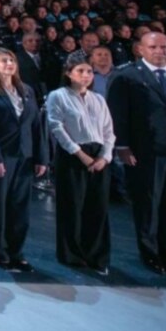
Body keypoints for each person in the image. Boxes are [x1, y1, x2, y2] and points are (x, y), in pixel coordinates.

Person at [106, 32, 166, 275]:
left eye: (165, 47)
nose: (160, 51)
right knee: (148, 204)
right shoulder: (126, 75)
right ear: (140, 49)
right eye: (154, 47)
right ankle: (150, 253)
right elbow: (118, 114)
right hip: (145, 152)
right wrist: (123, 146)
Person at [0, 48, 47, 272]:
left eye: (11, 60)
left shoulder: (27, 90)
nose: (9, 64)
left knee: (20, 207)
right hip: (1, 156)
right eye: (3, 60)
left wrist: (41, 157)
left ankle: (17, 252)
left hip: (25, 156)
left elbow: (36, 125)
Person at [48, 52, 114, 275]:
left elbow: (108, 132)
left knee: (98, 207)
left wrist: (105, 156)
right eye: (80, 72)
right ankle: (72, 254)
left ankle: (96, 254)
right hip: (73, 155)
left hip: (99, 157)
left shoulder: (98, 99)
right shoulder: (58, 96)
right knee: (72, 207)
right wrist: (80, 154)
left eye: (89, 72)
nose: (86, 76)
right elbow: (57, 127)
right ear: (69, 74)